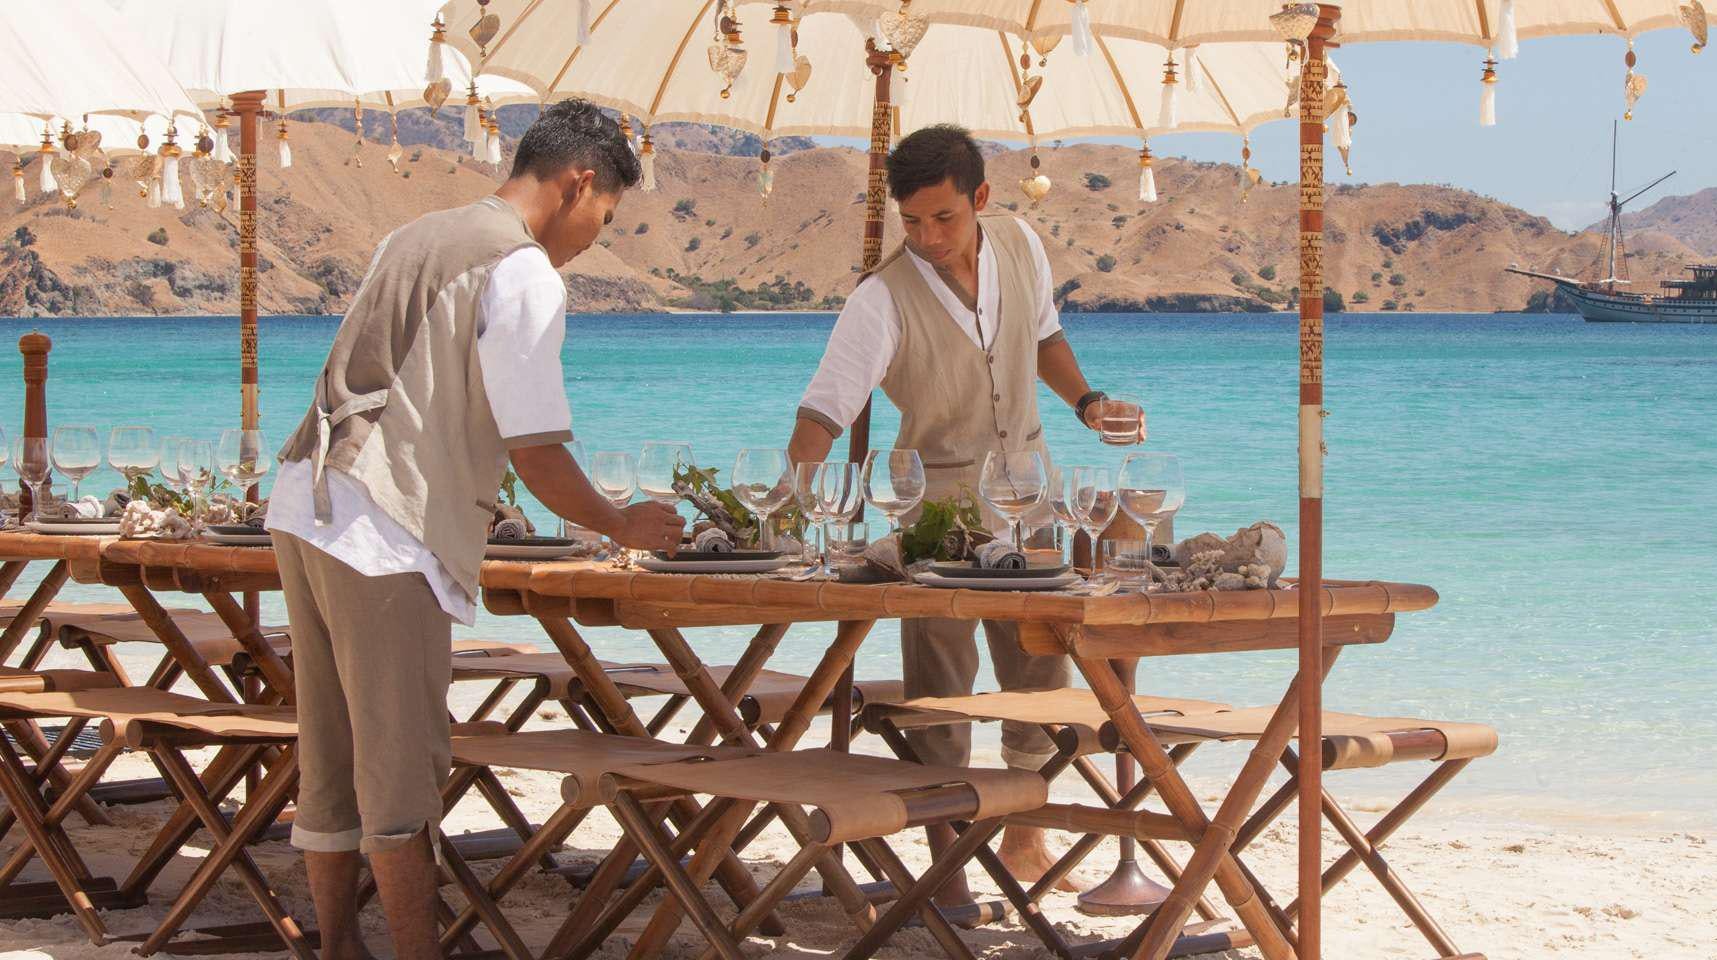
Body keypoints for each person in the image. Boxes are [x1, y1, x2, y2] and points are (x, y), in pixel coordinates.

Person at [265, 100, 683, 960]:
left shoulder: (414, 234)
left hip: (306, 501)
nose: (598, 235)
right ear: (579, 184)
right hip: (383, 526)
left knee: (334, 756)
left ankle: (340, 947)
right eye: (605, 215)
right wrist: (622, 523)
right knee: (401, 772)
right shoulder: (523, 270)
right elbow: (536, 450)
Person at [786, 124, 1139, 900]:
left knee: (1041, 677)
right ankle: (946, 866)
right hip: (936, 522)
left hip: (1033, 499)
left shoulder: (1023, 248)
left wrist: (1087, 401)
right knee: (940, 694)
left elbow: (1044, 337)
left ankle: (1024, 843)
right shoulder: (879, 299)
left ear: (981, 198)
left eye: (943, 218)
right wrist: (791, 508)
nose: (927, 237)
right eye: (911, 222)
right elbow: (822, 415)